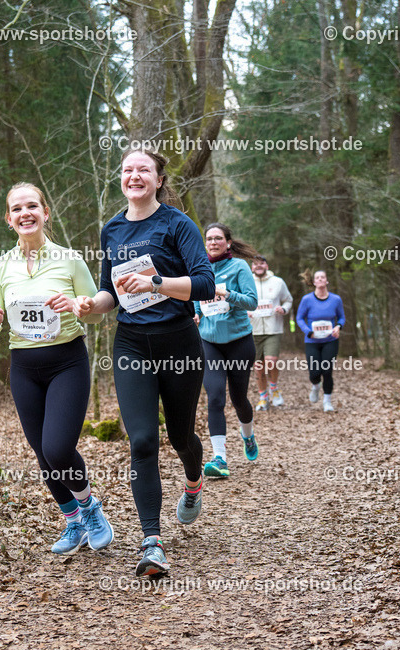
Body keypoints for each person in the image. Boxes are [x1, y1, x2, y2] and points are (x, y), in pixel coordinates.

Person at [74, 149, 215, 578]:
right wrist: (91, 305)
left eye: (144, 170)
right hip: (132, 345)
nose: (134, 176)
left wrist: (155, 282)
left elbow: (205, 284)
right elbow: (110, 291)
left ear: (158, 179)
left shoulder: (177, 224)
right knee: (142, 441)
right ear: (121, 178)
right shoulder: (112, 229)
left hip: (179, 343)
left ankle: (193, 481)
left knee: (180, 436)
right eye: (127, 170)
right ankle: (151, 542)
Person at [0, 182, 113, 555]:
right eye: (17, 209)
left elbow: (97, 314)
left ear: (45, 213)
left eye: (32, 206)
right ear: (9, 219)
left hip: (67, 362)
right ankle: (74, 522)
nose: (25, 213)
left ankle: (91, 509)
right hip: (24, 367)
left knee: (57, 448)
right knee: (41, 453)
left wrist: (82, 306)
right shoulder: (1, 266)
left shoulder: (70, 260)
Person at [194, 224, 259, 478]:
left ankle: (248, 435)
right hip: (209, 342)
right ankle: (219, 458)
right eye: (209, 239)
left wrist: (227, 294)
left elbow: (251, 301)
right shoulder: (199, 269)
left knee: (239, 399)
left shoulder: (239, 267)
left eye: (218, 238)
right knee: (215, 397)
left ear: (228, 242)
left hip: (239, 342)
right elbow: (196, 301)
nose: (213, 242)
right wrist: (195, 315)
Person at [295, 270, 345, 412]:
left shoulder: (336, 299)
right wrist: (308, 331)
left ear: (327, 281)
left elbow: (341, 317)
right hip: (312, 341)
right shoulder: (307, 299)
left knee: (327, 371)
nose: (320, 279)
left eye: (323, 277)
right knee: (314, 372)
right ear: (314, 282)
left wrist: (338, 327)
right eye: (318, 277)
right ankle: (316, 386)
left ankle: (327, 401)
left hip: (330, 340)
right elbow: (299, 318)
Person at [249, 256, 293, 410]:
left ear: (266, 265)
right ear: (252, 267)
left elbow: (288, 300)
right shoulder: (246, 282)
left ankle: (274, 388)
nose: (258, 266)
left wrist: (284, 309)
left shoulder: (278, 282)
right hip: (253, 330)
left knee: (271, 361)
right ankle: (263, 397)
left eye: (261, 263)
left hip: (273, 329)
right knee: (258, 366)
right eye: (255, 264)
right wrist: (244, 312)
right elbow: (239, 301)